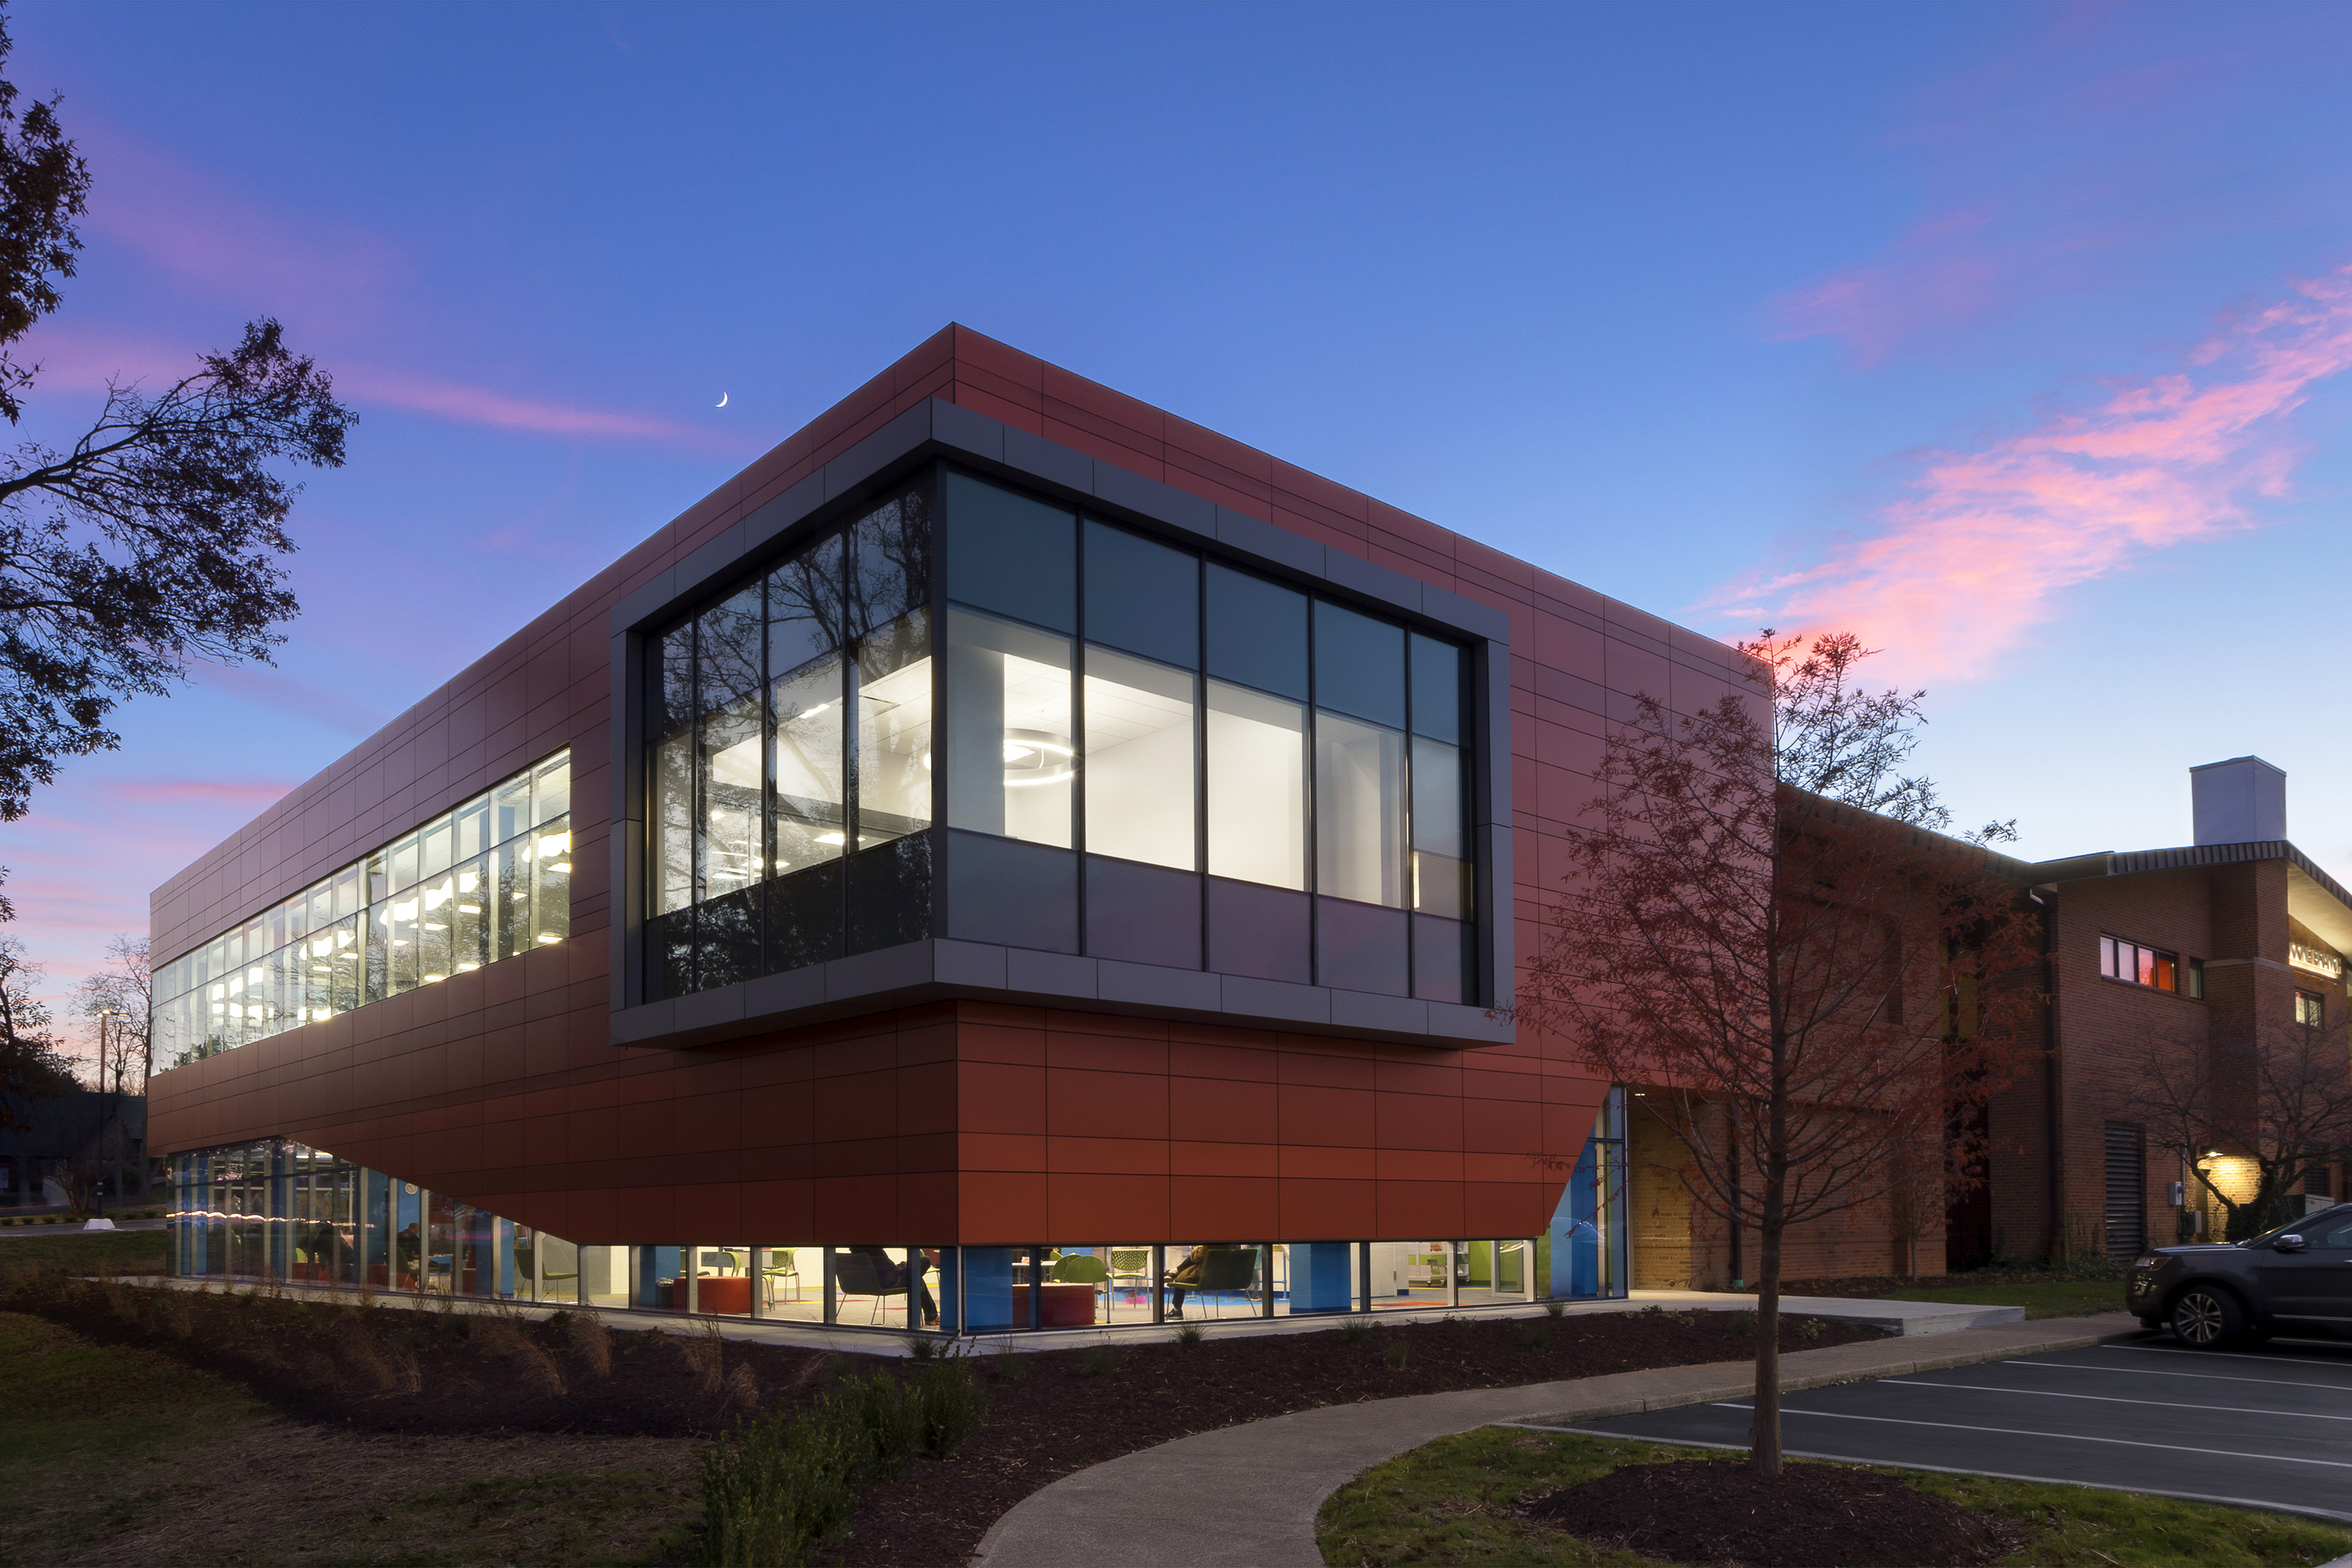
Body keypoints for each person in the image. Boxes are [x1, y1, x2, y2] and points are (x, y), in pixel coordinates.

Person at [1163, 1242, 1245, 1318]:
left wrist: (1197, 1248)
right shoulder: (1233, 1245)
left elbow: (1195, 1258)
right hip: (1226, 1277)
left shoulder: (1209, 1246)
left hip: (1207, 1278)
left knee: (1180, 1279)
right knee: (1198, 1262)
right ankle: (1174, 1272)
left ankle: (1177, 1310)